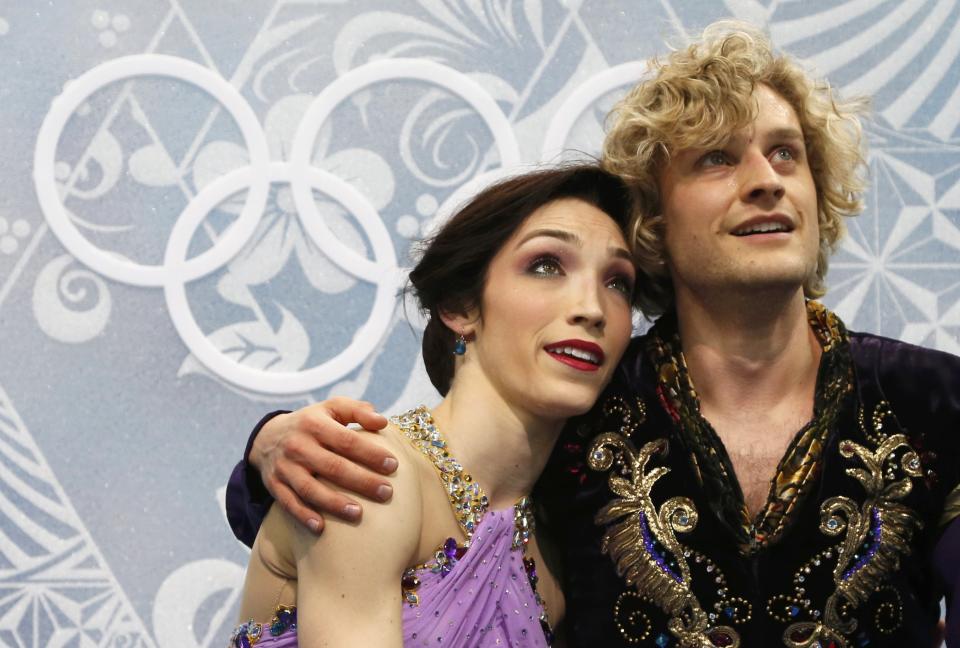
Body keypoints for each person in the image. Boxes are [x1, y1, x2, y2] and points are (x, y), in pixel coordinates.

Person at [226, 21, 960, 647]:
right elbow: (396, 499)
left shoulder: (936, 400)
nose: (766, 179)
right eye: (717, 157)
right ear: (654, 224)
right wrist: (270, 449)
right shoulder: (579, 406)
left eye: (786, 153)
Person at [227, 164, 639, 646]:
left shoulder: (556, 547)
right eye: (546, 265)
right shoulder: (372, 476)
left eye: (618, 282)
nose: (592, 307)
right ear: (461, 307)